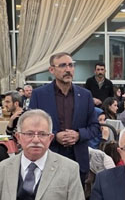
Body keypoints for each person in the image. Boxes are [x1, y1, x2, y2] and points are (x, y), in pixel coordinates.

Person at [28, 52, 101, 181]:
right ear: (52, 70)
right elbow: (31, 127)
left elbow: (95, 127)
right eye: (62, 65)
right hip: (48, 159)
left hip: (78, 160)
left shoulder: (85, 95)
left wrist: (78, 135)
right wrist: (55, 136)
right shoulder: (39, 95)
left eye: (71, 65)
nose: (68, 69)